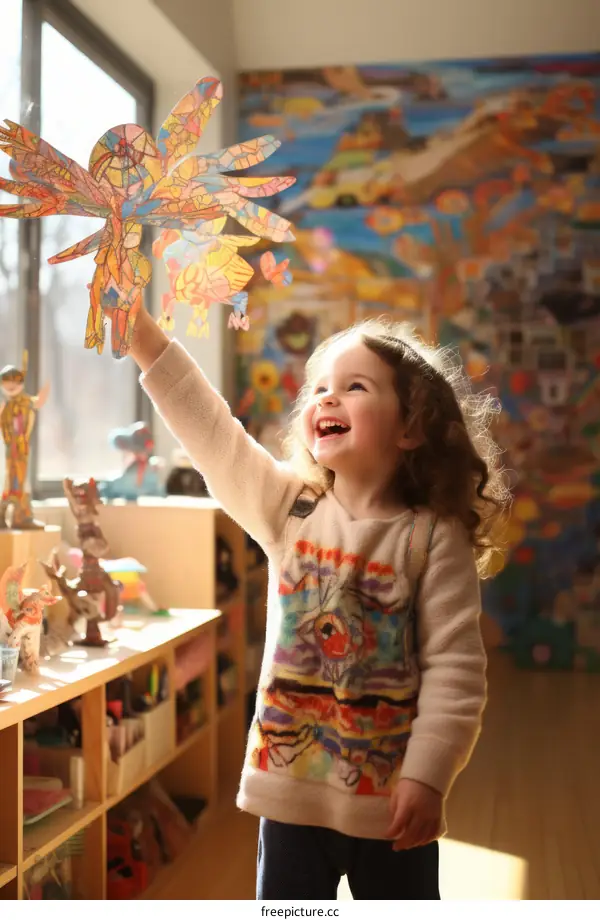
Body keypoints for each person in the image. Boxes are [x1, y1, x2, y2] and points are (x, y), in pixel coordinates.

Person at [129, 307, 509, 900]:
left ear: (410, 427)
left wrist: (428, 779)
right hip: (288, 800)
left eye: (354, 387)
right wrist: (145, 341)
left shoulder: (434, 535)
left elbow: (456, 670)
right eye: (320, 388)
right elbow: (214, 435)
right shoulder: (291, 509)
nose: (327, 399)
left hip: (390, 804)